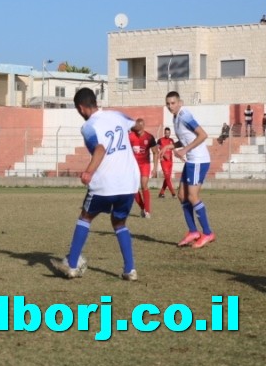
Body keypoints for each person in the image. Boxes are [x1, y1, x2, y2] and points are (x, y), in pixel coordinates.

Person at [51, 88, 140, 281]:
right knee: (119, 223)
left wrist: (88, 172)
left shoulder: (89, 126)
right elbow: (138, 125)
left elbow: (100, 149)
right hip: (129, 182)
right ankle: (130, 270)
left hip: (105, 182)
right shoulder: (116, 115)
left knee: (86, 216)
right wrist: (135, 130)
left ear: (82, 108)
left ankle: (72, 265)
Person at [159, 91, 215, 249]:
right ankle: (193, 231)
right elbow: (186, 138)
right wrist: (171, 145)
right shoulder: (176, 116)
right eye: (168, 103)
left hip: (199, 160)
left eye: (173, 103)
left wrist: (184, 150)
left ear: (180, 102)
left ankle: (208, 233)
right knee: (182, 195)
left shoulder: (184, 116)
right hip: (191, 160)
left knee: (192, 196)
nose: (170, 106)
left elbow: (202, 135)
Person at [128, 118, 159, 218]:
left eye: (139, 128)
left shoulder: (149, 137)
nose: (138, 131)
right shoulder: (130, 136)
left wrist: (155, 168)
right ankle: (142, 208)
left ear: (143, 126)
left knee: (144, 185)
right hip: (133, 165)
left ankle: (148, 211)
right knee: (133, 188)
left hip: (145, 164)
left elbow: (155, 152)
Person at [157, 127, 177, 198]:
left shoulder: (171, 140)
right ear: (164, 133)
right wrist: (162, 155)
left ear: (170, 133)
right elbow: (157, 149)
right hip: (164, 162)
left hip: (170, 161)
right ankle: (173, 193)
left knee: (167, 178)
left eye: (168, 133)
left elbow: (174, 149)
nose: (167, 134)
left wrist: (179, 155)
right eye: (166, 133)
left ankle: (161, 193)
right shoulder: (160, 140)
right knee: (168, 178)